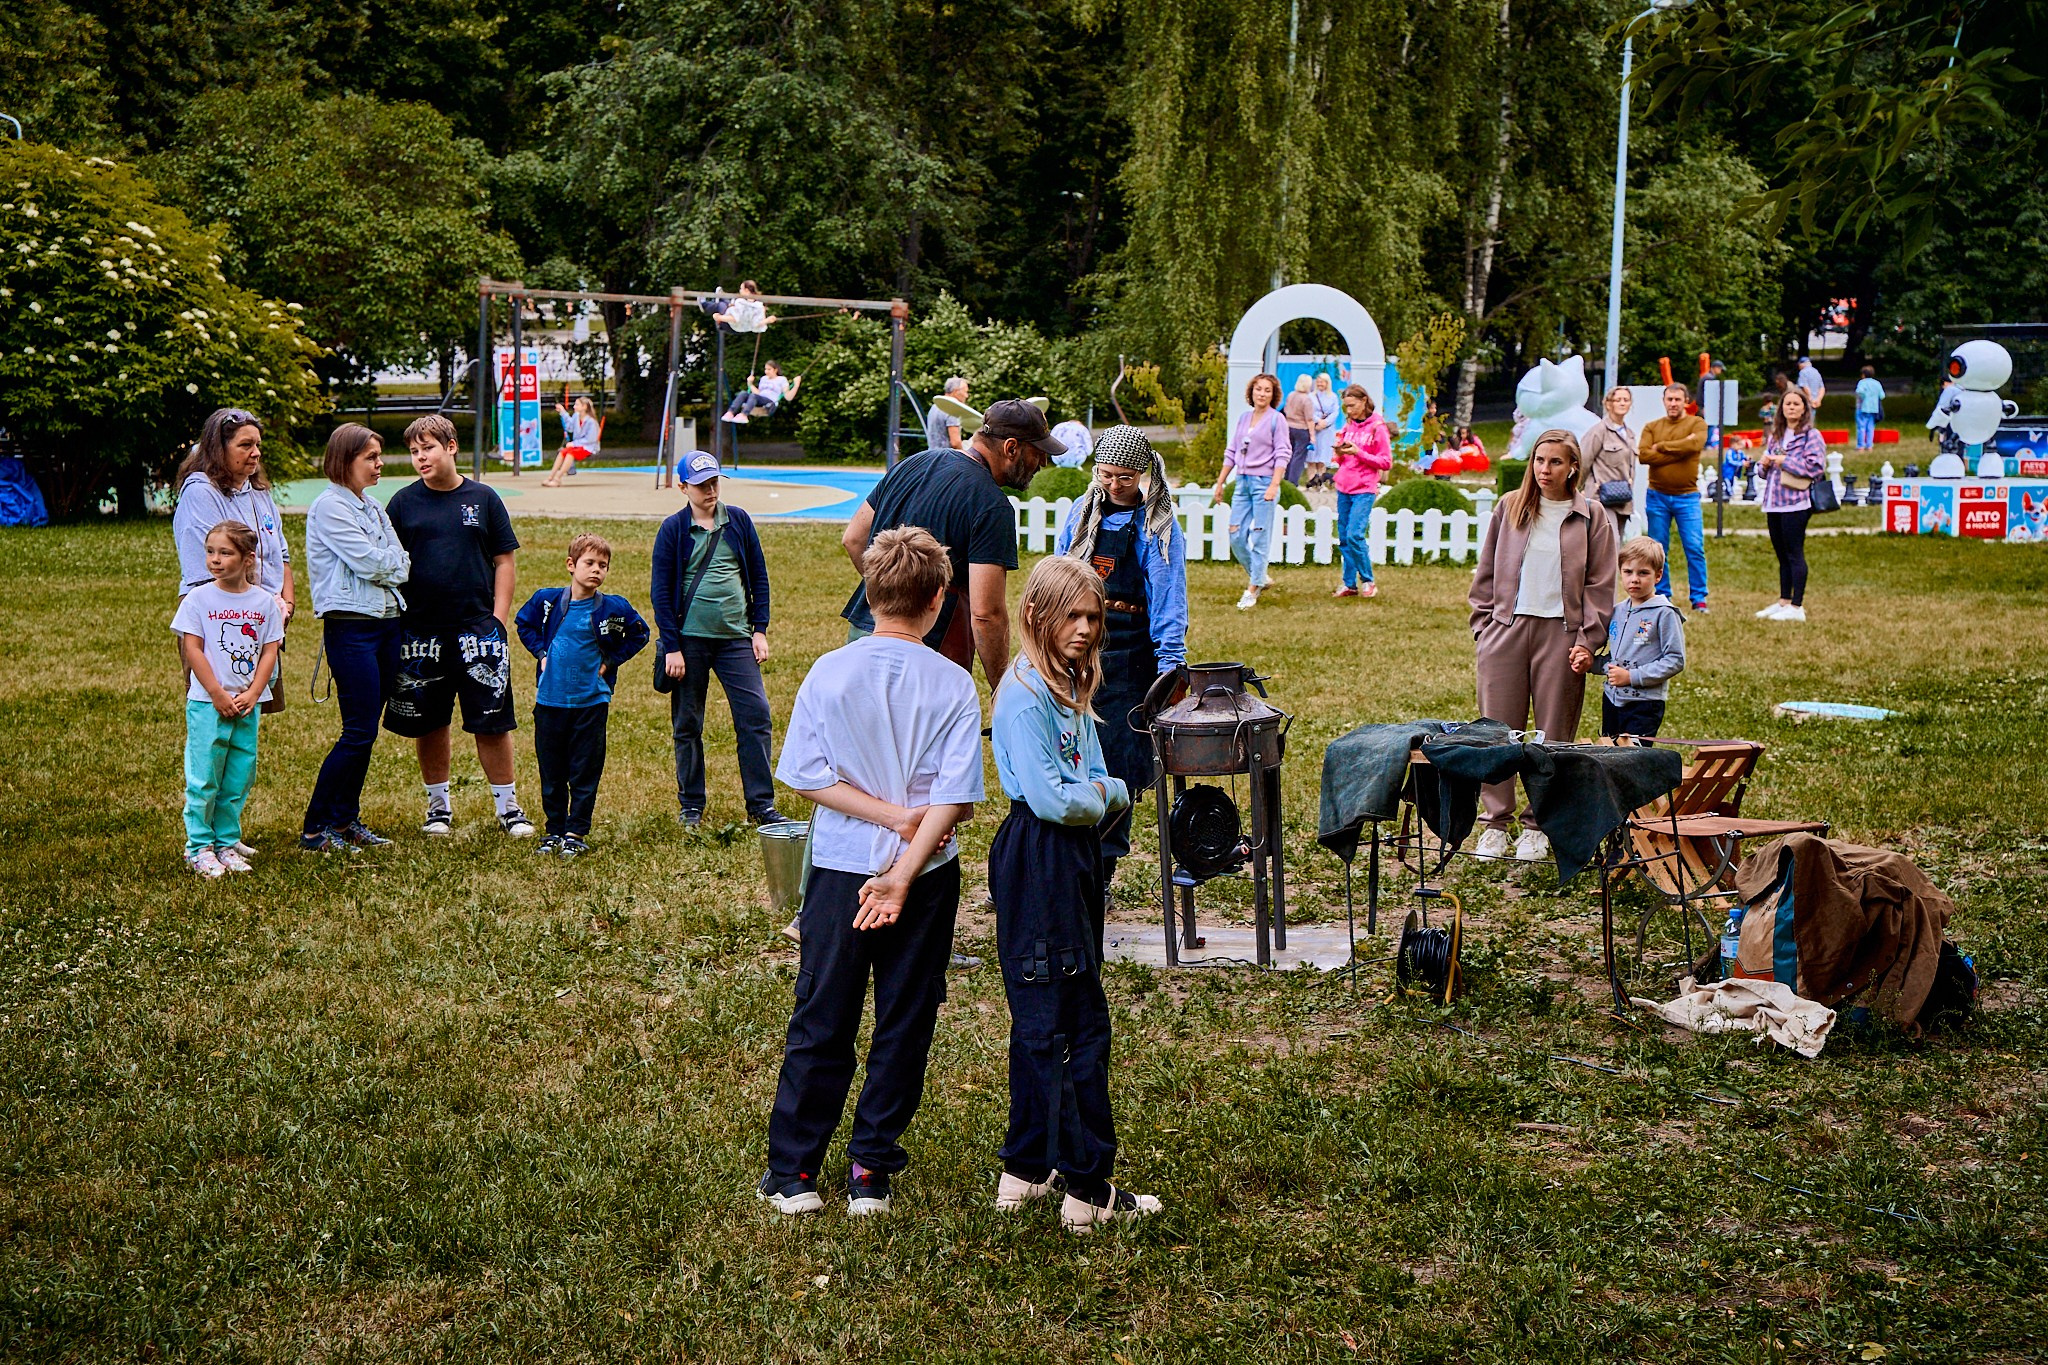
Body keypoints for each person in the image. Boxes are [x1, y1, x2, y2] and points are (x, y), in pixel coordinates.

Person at [756, 528, 984, 1218]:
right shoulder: (953, 680)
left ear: (869, 591)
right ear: (939, 600)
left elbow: (803, 775)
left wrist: (885, 818)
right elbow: (955, 798)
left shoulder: (829, 670)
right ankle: (869, 1169)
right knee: (905, 1018)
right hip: (926, 874)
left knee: (823, 1012)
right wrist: (905, 847)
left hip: (838, 869)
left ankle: (794, 1171)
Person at [989, 555, 1161, 1233]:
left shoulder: (1065, 686)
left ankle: (1028, 1168)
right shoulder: (1024, 694)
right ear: (1037, 614)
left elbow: (1089, 771)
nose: (1086, 629)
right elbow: (1054, 798)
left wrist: (1095, 788)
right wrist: (1109, 792)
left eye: (1094, 616)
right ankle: (1086, 1188)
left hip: (1072, 856)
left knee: (1054, 1007)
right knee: (1070, 1018)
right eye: (1073, 616)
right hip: (1042, 857)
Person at [1468, 428, 1617, 862]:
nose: (1544, 469)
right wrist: (1484, 627)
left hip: (1562, 635)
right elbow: (1486, 569)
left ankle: (1537, 826)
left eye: (1555, 462)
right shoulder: (1509, 507)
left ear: (1573, 467)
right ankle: (1495, 824)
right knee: (1497, 732)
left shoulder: (1591, 516)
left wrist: (1588, 639)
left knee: (1553, 735)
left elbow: (1601, 584)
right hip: (1506, 630)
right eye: (1539, 460)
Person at [383, 414, 532, 839]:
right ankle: (438, 806)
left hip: (477, 630)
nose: (420, 458)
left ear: (451, 447)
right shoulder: (402, 504)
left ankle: (508, 808)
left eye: (428, 448)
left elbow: (504, 561)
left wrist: (497, 619)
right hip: (421, 633)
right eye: (414, 451)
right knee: (430, 722)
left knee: (492, 720)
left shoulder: (483, 498)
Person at [1055, 425, 1189, 898]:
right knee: (1066, 751)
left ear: (1144, 474)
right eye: (1106, 475)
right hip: (1075, 644)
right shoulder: (1081, 513)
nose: (1114, 485)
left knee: (1119, 762)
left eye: (1125, 477)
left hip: (1131, 653)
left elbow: (1168, 597)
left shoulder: (1158, 527)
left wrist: (1171, 666)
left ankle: (1103, 868)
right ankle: (1062, 858)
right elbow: (1058, 575)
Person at [841, 398, 1062, 681]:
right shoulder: (992, 505)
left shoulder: (913, 463)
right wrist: (1001, 689)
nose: (1043, 462)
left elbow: (854, 538)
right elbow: (986, 614)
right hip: (929, 654)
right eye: (1038, 453)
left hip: (866, 632)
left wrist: (892, 594)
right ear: (1011, 448)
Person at [653, 451, 781, 827]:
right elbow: (661, 593)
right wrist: (672, 647)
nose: (710, 490)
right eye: (701, 485)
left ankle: (761, 804)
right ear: (683, 488)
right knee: (688, 723)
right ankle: (691, 804)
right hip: (689, 641)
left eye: (714, 483)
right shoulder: (673, 529)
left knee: (755, 716)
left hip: (735, 639)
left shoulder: (738, 520)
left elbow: (759, 576)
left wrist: (759, 630)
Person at [301, 424, 410, 852]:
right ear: (345, 460)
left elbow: (402, 562)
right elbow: (369, 562)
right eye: (371, 457)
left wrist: (391, 563)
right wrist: (391, 563)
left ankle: (345, 820)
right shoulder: (330, 506)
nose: (380, 464)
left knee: (367, 731)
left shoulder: (373, 507)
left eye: (379, 456)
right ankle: (315, 828)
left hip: (387, 623)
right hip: (352, 627)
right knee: (357, 731)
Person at [514, 534, 649, 856]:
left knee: (585, 769)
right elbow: (523, 624)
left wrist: (611, 661)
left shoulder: (613, 607)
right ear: (571, 565)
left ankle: (576, 832)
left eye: (603, 565)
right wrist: (541, 653)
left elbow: (640, 633)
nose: (596, 570)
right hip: (550, 702)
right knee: (552, 770)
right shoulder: (546, 602)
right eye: (589, 563)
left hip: (591, 702)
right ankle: (554, 830)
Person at [172, 521, 285, 878]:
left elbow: (269, 651)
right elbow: (193, 649)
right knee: (205, 777)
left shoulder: (264, 602)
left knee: (238, 776)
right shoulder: (199, 599)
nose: (215, 560)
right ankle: (199, 847)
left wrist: (253, 693)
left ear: (248, 559)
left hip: (247, 705)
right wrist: (217, 693)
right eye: (210, 552)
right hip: (209, 704)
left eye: (225, 553)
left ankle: (225, 842)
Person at [172, 408, 294, 701]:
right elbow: (210, 570)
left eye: (258, 445)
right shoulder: (201, 494)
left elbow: (282, 554)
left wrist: (286, 605)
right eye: (245, 445)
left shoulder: (259, 493)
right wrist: (255, 605)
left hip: (261, 615)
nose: (256, 453)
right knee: (216, 713)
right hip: (220, 618)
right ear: (219, 449)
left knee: (252, 710)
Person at [1212, 372, 1288, 611]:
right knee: (1235, 534)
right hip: (1242, 483)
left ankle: (1253, 588)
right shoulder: (1244, 418)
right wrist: (1220, 482)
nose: (1262, 394)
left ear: (1273, 395)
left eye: (1267, 390)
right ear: (1251, 392)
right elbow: (1232, 451)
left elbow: (1283, 453)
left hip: (1264, 483)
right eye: (1258, 389)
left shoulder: (1277, 420)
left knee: (1259, 536)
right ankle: (1260, 575)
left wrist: (1274, 485)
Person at [1602, 537, 1687, 741]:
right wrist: (1591, 663)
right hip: (1612, 700)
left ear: (1658, 575)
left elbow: (1675, 660)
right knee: (1608, 752)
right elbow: (1615, 658)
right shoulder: (1617, 611)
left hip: (1644, 705)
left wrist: (1632, 677)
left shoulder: (1664, 613)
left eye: (1643, 573)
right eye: (1628, 572)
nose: (1634, 579)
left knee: (1633, 756)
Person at [1755, 385, 1826, 623]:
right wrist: (1764, 464)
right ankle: (1784, 601)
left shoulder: (1811, 436)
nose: (1791, 408)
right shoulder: (1776, 434)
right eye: (1788, 404)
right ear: (1781, 408)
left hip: (1796, 503)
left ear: (1804, 408)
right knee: (1781, 554)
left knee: (1795, 553)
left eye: (1796, 404)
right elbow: (1762, 472)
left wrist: (1784, 461)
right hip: (1773, 502)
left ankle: (1797, 606)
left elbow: (1816, 467)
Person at [1638, 383, 1711, 613]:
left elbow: (1696, 444)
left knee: (1694, 547)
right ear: (1664, 401)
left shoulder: (1697, 424)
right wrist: (1681, 451)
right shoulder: (1652, 427)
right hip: (1657, 496)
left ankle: (1699, 597)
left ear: (1686, 402)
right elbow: (1643, 455)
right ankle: (1662, 594)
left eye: (1678, 399)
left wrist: (1662, 447)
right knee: (1658, 549)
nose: (1673, 403)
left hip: (1687, 497)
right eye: (1669, 399)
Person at [1332, 384, 1392, 599]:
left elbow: (1385, 462)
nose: (1349, 411)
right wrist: (1339, 453)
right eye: (1346, 407)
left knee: (1355, 534)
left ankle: (1368, 580)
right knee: (1344, 538)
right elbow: (1340, 459)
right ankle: (1349, 583)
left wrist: (1359, 452)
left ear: (1364, 401)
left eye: (1352, 406)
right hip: (1344, 486)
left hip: (1364, 488)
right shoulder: (1349, 425)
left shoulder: (1377, 428)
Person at [1579, 385, 1638, 543]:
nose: (1622, 403)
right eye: (1618, 400)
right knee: (1610, 542)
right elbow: (1583, 461)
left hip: (1623, 499)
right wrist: (1578, 490)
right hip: (1601, 498)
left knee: (1617, 546)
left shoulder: (1630, 434)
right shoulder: (1598, 431)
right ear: (1608, 404)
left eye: (1626, 400)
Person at [540, 396, 601, 488]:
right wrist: (563, 412)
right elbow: (570, 427)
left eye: (577, 404)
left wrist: (574, 443)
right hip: (578, 446)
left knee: (570, 453)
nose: (574, 406)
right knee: (562, 452)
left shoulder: (591, 422)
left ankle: (557, 479)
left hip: (588, 447)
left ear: (584, 407)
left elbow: (590, 440)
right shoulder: (576, 416)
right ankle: (550, 477)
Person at [721, 360, 801, 425]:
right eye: (765, 369)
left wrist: (796, 385)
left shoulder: (782, 379)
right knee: (743, 393)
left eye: (769, 369)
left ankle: (744, 415)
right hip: (759, 399)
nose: (766, 371)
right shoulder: (763, 378)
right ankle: (730, 412)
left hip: (770, 402)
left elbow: (788, 397)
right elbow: (758, 393)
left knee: (753, 396)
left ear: (775, 370)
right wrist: (750, 384)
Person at [1306, 372, 1342, 487]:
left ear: (1327, 383)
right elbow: (1308, 411)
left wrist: (1325, 423)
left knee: (1322, 458)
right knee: (1312, 458)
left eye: (1322, 382)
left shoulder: (1333, 397)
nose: (1320, 384)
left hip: (1327, 431)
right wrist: (1318, 421)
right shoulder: (1311, 396)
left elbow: (1335, 412)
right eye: (1318, 381)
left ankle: (1321, 484)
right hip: (1314, 429)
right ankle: (1311, 482)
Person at [701, 280, 775, 334]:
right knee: (729, 303)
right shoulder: (757, 304)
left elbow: (735, 318)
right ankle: (721, 296)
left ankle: (704, 305)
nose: (740, 291)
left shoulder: (749, 305)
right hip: (739, 327)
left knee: (721, 305)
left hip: (731, 326)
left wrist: (719, 318)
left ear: (746, 290)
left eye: (741, 288)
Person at [1282, 374, 1315, 485]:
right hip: (1301, 429)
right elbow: (1309, 419)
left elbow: (1285, 410)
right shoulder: (1306, 399)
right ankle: (1293, 481)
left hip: (1288, 427)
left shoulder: (1291, 395)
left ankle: (1286, 478)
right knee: (1299, 457)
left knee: (1289, 454)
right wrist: (1312, 436)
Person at [925, 376, 969, 452]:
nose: (966, 396)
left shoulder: (935, 406)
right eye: (965, 392)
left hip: (932, 454)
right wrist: (965, 455)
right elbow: (955, 442)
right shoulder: (951, 408)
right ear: (956, 391)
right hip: (945, 456)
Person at [1854, 366, 1885, 451]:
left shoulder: (1862, 382)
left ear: (1863, 374)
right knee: (1870, 427)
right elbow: (1882, 395)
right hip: (1874, 408)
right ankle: (1869, 445)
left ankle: (1860, 446)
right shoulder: (1877, 383)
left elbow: (1859, 391)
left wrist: (1865, 397)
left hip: (1862, 407)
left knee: (1861, 427)